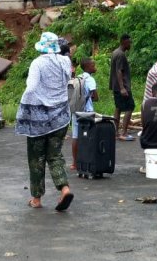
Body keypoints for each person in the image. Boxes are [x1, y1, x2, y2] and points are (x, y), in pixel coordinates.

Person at [16, 31, 74, 211]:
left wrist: (24, 106)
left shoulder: (37, 63)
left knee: (36, 158)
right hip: (61, 118)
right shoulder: (65, 61)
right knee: (55, 155)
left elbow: (32, 87)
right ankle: (64, 188)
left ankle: (37, 199)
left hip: (39, 120)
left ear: (42, 47)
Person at [69, 57, 98, 170]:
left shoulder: (78, 77)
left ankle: (74, 163)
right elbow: (95, 97)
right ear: (87, 67)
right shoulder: (90, 79)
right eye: (93, 65)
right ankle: (88, 161)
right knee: (89, 136)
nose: (95, 67)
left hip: (76, 110)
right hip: (87, 112)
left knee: (76, 136)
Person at [111, 34, 135, 142]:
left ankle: (115, 132)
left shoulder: (115, 52)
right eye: (129, 42)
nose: (130, 44)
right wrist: (122, 88)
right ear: (124, 42)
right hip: (122, 86)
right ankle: (124, 133)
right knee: (130, 107)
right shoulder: (120, 54)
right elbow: (119, 71)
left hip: (115, 86)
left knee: (119, 108)